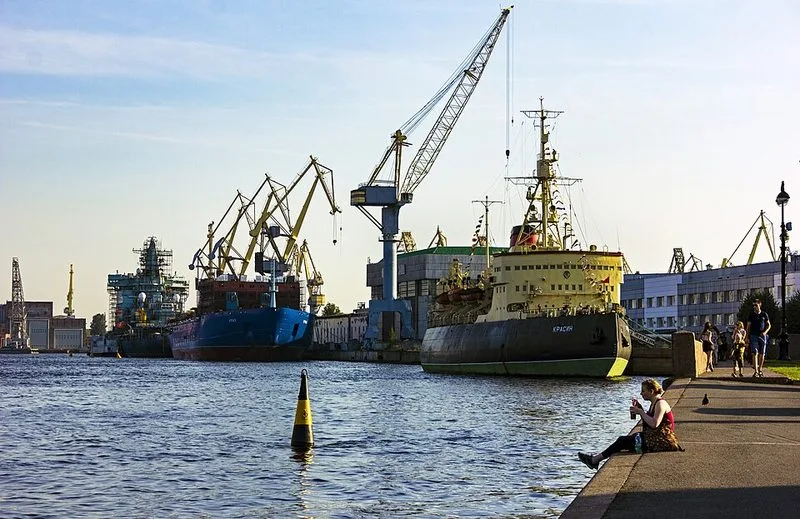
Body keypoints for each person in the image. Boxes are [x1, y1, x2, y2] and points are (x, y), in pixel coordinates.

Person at [578, 379, 683, 470]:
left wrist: (641, 412)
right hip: (655, 437)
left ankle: (594, 460)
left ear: (651, 391)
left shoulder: (660, 404)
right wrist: (641, 409)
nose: (641, 393)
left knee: (622, 441)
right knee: (628, 439)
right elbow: (651, 422)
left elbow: (654, 424)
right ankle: (595, 460)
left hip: (661, 441)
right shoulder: (654, 403)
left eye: (643, 391)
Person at [745, 299, 771, 378]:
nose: (754, 307)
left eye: (756, 305)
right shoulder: (751, 315)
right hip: (754, 335)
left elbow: (769, 325)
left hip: (762, 335)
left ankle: (760, 369)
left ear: (760, 305)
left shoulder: (764, 314)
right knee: (755, 352)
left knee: (762, 353)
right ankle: (756, 371)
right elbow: (748, 326)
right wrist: (746, 337)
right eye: (753, 305)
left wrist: (765, 332)